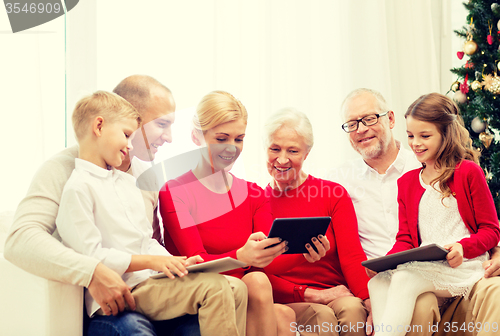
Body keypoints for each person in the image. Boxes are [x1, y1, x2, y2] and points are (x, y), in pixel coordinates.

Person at [4, 75, 201, 336]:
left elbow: (148, 243)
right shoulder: (63, 170)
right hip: (102, 309)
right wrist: (92, 271)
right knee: (133, 329)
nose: (170, 137)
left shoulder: (146, 178)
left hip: (147, 294)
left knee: (199, 326)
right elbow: (20, 239)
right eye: (162, 124)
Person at [56, 90, 246, 336]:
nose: (130, 144)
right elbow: (91, 258)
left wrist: (176, 262)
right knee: (217, 287)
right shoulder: (78, 188)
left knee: (237, 288)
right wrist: (153, 262)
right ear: (99, 127)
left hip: (150, 283)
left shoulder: (127, 182)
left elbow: (145, 241)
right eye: (126, 135)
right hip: (124, 289)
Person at [330, 88, 500, 336]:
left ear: (445, 133)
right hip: (427, 265)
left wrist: (465, 247)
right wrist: (383, 263)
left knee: (404, 280)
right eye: (411, 136)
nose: (416, 143)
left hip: (462, 266)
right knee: (378, 281)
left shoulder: (467, 172)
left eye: (425, 135)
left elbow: (491, 229)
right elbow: (406, 238)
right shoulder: (408, 181)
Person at [160, 91, 329, 336]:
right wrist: (241, 257)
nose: (232, 148)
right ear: (196, 136)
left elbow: (268, 257)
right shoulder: (175, 191)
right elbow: (195, 261)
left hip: (249, 294)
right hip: (200, 293)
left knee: (283, 312)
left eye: (239, 139)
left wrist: (306, 252)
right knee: (263, 289)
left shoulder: (253, 193)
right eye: (221, 138)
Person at [262, 107, 373, 336]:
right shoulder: (256, 203)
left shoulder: (333, 194)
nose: (282, 159)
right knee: (321, 317)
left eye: (292, 151)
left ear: (306, 153)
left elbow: (352, 257)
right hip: (288, 298)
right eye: (275, 149)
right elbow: (256, 272)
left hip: (337, 291)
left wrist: (369, 300)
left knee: (353, 309)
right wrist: (308, 293)